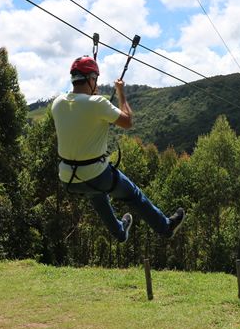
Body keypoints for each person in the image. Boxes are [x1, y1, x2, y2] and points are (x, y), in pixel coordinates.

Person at [52, 56, 184, 242]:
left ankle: (120, 232)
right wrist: (120, 92)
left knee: (96, 194)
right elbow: (128, 121)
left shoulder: (57, 103)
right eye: (95, 79)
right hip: (96, 174)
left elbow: (79, 118)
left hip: (67, 178)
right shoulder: (97, 103)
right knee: (133, 195)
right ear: (91, 78)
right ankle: (165, 227)